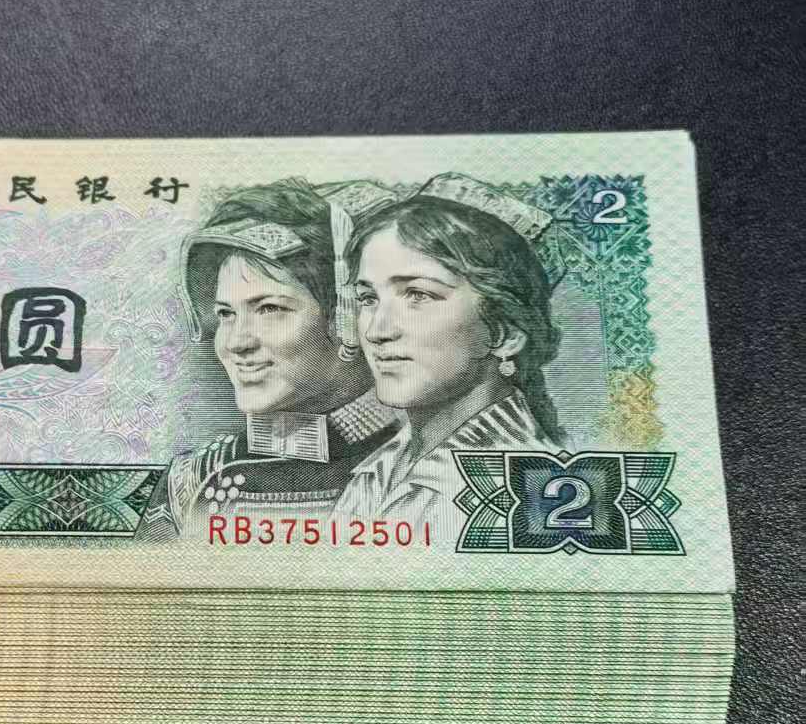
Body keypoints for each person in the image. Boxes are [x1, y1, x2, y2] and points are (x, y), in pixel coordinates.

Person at [139, 178, 393, 538]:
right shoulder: (193, 480)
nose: (236, 343)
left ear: (346, 317)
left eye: (269, 309)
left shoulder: (423, 465)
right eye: (226, 314)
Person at [333, 173, 563, 528]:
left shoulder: (528, 487)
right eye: (368, 298)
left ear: (504, 333)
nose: (377, 331)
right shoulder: (380, 468)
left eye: (418, 295)